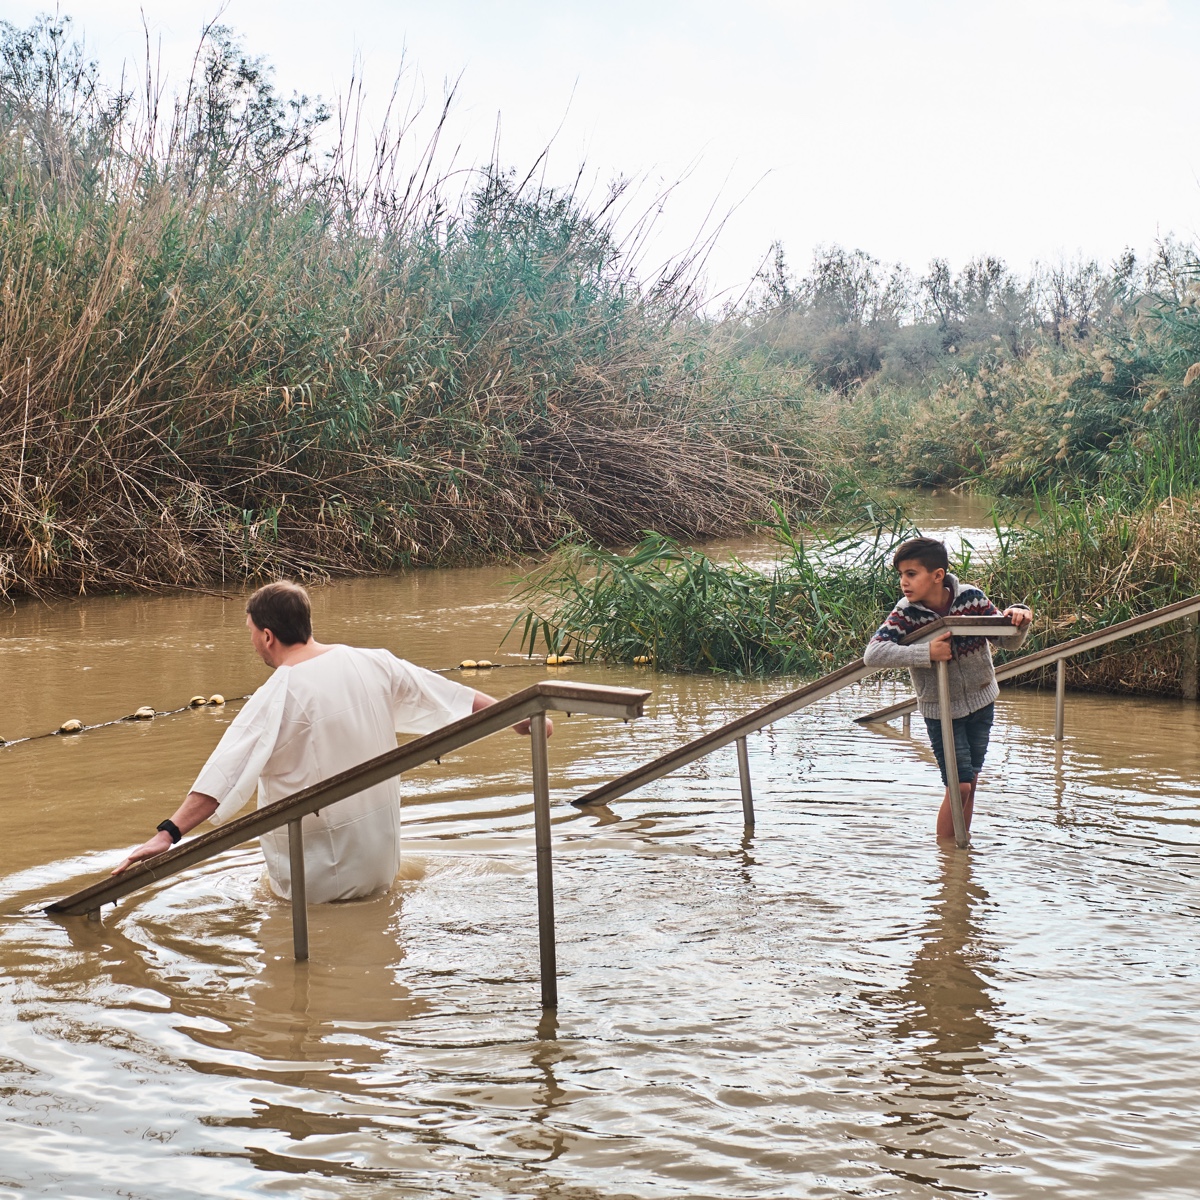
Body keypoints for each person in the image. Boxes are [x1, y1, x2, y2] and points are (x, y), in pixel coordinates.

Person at [113, 581, 546, 902]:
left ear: (267, 635)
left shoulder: (276, 693)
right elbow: (447, 695)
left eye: (251, 634)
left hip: (312, 876)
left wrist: (167, 835)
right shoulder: (373, 662)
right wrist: (516, 716)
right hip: (379, 858)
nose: (253, 645)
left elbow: (223, 775)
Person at [863, 537, 1032, 841]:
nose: (903, 582)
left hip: (982, 701)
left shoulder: (971, 598)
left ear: (938, 575)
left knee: (972, 783)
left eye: (911, 574)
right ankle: (947, 861)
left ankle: (959, 856)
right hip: (940, 710)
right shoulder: (906, 613)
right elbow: (873, 654)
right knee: (960, 785)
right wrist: (925, 652)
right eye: (901, 575)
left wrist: (1019, 617)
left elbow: (1007, 640)